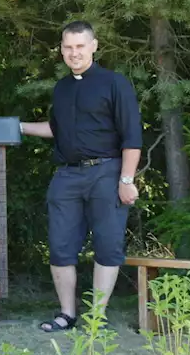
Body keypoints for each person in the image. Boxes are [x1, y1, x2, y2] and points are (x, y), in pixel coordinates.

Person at [20, 21, 142, 333]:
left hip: (107, 173)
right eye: (68, 47)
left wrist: (126, 180)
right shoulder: (61, 88)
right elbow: (55, 130)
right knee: (60, 246)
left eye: (80, 46)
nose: (74, 53)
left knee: (107, 245)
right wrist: (17, 127)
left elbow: (132, 137)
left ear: (94, 46)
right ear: (61, 49)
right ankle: (67, 315)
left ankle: (95, 318)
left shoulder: (115, 84)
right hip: (67, 176)